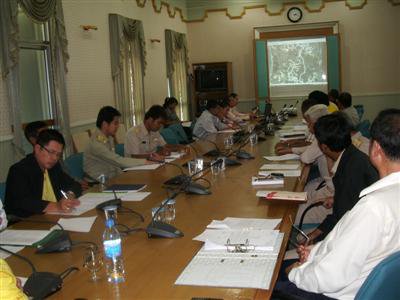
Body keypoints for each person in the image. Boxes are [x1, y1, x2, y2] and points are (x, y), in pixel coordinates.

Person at [275, 109, 400, 299]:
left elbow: (330, 276)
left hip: (337, 292)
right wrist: (316, 251)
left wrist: (297, 271)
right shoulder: (384, 199)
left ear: (375, 150)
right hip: (359, 279)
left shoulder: (374, 207)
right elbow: (352, 244)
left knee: (271, 273)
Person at [306, 113, 378, 243]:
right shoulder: (353, 156)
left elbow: (342, 218)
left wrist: (316, 239)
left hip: (354, 237)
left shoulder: (350, 170)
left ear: (324, 147)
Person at [4, 129, 82, 218]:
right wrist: (57, 206)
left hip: (53, 217)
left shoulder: (54, 167)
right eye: (52, 152)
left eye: (58, 155)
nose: (55, 158)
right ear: (37, 149)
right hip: (25, 222)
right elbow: (24, 202)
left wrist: (69, 195)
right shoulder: (19, 170)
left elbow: (74, 185)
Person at [84, 106, 147, 180]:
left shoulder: (108, 137)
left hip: (111, 178)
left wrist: (124, 176)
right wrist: (145, 162)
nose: (118, 126)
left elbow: (114, 165)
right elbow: (117, 160)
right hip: (97, 183)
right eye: (115, 123)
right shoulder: (96, 143)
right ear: (105, 124)